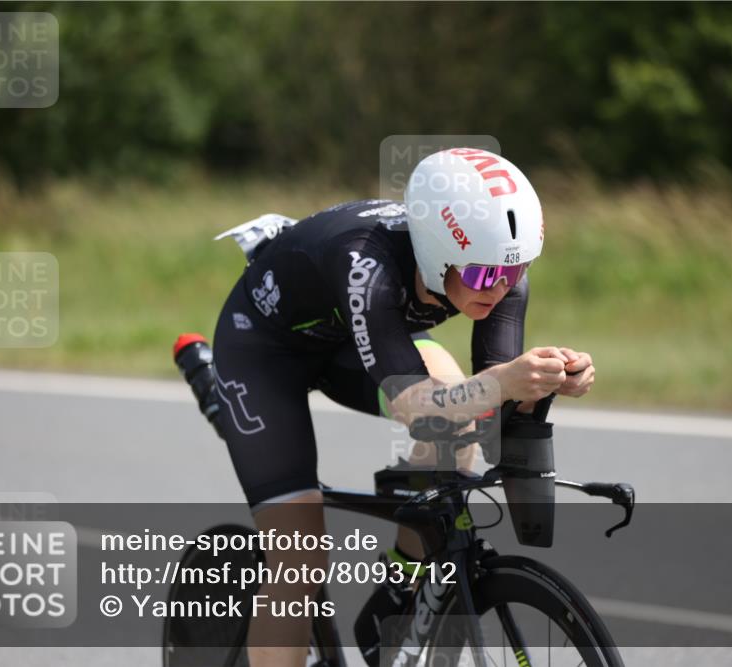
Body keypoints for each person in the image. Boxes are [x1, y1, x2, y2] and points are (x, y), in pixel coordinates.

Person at [211, 147, 595, 666]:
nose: (501, 287)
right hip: (265, 353)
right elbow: (418, 406)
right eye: (484, 276)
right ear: (437, 254)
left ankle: (397, 589)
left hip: (351, 339)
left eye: (516, 269)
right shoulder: (366, 263)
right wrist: (505, 381)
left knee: (460, 420)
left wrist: (541, 385)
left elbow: (489, 410)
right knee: (299, 555)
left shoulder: (497, 272)